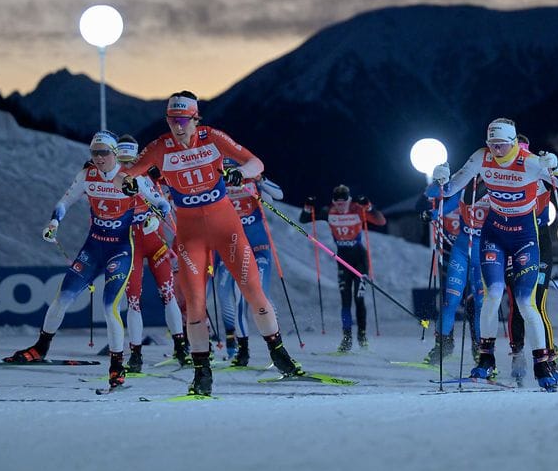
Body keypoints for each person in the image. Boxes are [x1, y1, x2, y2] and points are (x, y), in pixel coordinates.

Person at [118, 91, 302, 396]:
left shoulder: (212, 137)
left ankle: (280, 355)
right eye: (171, 120)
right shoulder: (159, 147)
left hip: (225, 226)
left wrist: (239, 173)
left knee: (254, 292)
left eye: (183, 120)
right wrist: (126, 181)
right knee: (195, 306)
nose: (177, 126)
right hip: (190, 234)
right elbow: (125, 175)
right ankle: (202, 372)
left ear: (195, 118)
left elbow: (256, 162)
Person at [7, 131, 170, 389]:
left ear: (115, 153)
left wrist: (153, 219)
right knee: (62, 298)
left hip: (120, 249)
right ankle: (41, 347)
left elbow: (162, 205)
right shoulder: (87, 175)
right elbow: (65, 201)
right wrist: (53, 223)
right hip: (93, 248)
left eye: (104, 152)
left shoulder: (132, 177)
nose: (99, 158)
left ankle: (117, 365)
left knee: (109, 307)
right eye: (94, 153)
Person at [429, 118, 558, 391]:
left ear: (512, 143)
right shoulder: (481, 158)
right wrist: (440, 179)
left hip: (524, 237)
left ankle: (542, 364)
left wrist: (556, 167)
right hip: (494, 234)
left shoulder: (531, 162)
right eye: (492, 144)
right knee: (493, 294)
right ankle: (486, 359)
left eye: (502, 145)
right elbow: (448, 190)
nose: (496, 150)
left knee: (525, 302)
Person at [114, 135, 188, 372]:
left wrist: (156, 218)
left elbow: (164, 205)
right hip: (129, 246)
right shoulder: (110, 181)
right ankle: (135, 354)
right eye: (122, 161)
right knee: (133, 300)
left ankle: (181, 347)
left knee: (168, 294)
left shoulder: (143, 178)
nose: (126, 167)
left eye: (130, 161)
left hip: (154, 242)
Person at [211, 156, 285, 366]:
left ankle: (278, 346)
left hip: (259, 248)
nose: (227, 177)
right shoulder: (218, 190)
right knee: (240, 299)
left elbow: (278, 195)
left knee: (260, 297)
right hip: (235, 249)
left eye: (230, 171)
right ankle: (242, 351)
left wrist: (260, 180)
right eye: (223, 172)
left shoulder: (251, 184)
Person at [300, 185, 386, 351]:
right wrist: (307, 206)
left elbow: (381, 221)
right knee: (345, 301)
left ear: (349, 200)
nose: (340, 206)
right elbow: (304, 219)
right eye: (337, 202)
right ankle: (347, 339)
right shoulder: (328, 211)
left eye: (343, 202)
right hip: (342, 260)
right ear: (333, 201)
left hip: (360, 260)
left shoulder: (357, 209)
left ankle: (362, 337)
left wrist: (369, 206)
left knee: (359, 299)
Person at [507, 134, 558, 381]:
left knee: (537, 304)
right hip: (513, 241)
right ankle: (517, 354)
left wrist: (555, 166)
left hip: (540, 242)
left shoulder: (539, 171)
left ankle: (548, 359)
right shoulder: (503, 176)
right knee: (517, 306)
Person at [421, 183, 489, 364]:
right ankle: (442, 346)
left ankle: (482, 352)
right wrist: (432, 212)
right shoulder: (465, 188)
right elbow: (440, 200)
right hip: (460, 251)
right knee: (450, 301)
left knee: (481, 305)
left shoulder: (497, 189)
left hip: (484, 253)